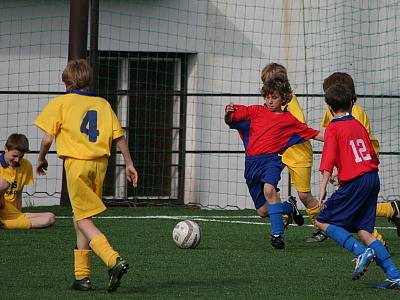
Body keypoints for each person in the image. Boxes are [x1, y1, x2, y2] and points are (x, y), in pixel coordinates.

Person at [34, 59, 138, 293]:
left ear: (66, 83)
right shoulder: (102, 103)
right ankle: (82, 277)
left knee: (82, 219)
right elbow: (118, 136)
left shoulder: (60, 103)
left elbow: (48, 138)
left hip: (77, 165)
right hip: (100, 164)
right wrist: (129, 164)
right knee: (82, 215)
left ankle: (112, 260)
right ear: (88, 80)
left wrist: (41, 158)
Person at [316, 83, 400, 289]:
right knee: (364, 230)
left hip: (356, 182)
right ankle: (394, 274)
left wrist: (322, 190)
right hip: (372, 178)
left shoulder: (333, 128)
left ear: (328, 106)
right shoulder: (358, 124)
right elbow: (369, 155)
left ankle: (359, 251)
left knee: (321, 221)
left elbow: (327, 162)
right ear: (352, 104)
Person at [225, 78, 323, 249]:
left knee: (269, 190)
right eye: (268, 97)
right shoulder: (255, 111)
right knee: (263, 211)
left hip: (272, 161)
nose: (270, 101)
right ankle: (289, 207)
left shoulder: (289, 120)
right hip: (251, 164)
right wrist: (228, 113)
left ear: (284, 98)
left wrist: (339, 138)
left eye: (274, 97)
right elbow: (231, 120)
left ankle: (277, 236)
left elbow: (314, 134)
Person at [322, 72, 400, 246]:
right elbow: (332, 136)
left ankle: (378, 239)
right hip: (351, 162)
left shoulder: (356, 114)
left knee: (353, 203)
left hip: (363, 160)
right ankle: (391, 211)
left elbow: (356, 141)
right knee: (355, 202)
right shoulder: (331, 111)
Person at [261, 63, 326, 243]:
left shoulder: (291, 103)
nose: (268, 95)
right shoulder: (271, 102)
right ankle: (284, 212)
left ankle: (321, 225)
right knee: (269, 187)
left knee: (304, 195)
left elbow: (300, 128)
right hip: (280, 153)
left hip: (298, 154)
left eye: (269, 85)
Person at [0, 133, 55, 229]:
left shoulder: (26, 165)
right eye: (14, 156)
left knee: (50, 217)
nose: (17, 160)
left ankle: (5, 224)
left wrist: (18, 213)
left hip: (10, 211)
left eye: (20, 157)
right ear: (6, 149)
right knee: (3, 184)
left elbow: (19, 193)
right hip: (1, 206)